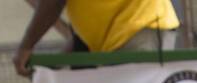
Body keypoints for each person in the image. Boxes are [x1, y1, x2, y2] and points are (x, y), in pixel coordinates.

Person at [14, 0, 180, 75]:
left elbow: (53, 3)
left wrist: (26, 47)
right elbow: (84, 33)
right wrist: (52, 69)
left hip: (140, 27)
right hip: (128, 32)